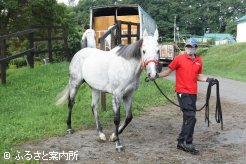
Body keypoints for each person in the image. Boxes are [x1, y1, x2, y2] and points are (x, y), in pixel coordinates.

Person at [156, 38, 215, 155]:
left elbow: (197, 76)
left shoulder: (198, 60)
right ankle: (187, 143)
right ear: (185, 47)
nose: (189, 48)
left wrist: (208, 79)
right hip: (182, 92)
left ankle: (180, 142)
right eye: (188, 46)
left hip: (193, 93)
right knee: (191, 117)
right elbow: (168, 71)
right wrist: (156, 75)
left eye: (192, 47)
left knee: (188, 118)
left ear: (196, 48)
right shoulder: (179, 59)